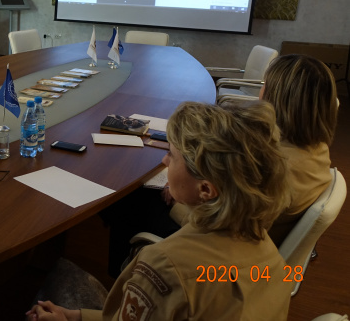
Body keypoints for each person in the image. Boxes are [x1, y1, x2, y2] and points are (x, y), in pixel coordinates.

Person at [26, 101, 293, 321]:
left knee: (55, 280)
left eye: (173, 156)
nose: (165, 160)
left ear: (206, 189)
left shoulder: (164, 266)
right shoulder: (269, 252)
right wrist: (77, 316)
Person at [261, 54, 338, 244]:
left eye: (265, 84)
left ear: (277, 99)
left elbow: (231, 229)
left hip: (241, 253)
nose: (260, 91)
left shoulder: (277, 169)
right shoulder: (316, 147)